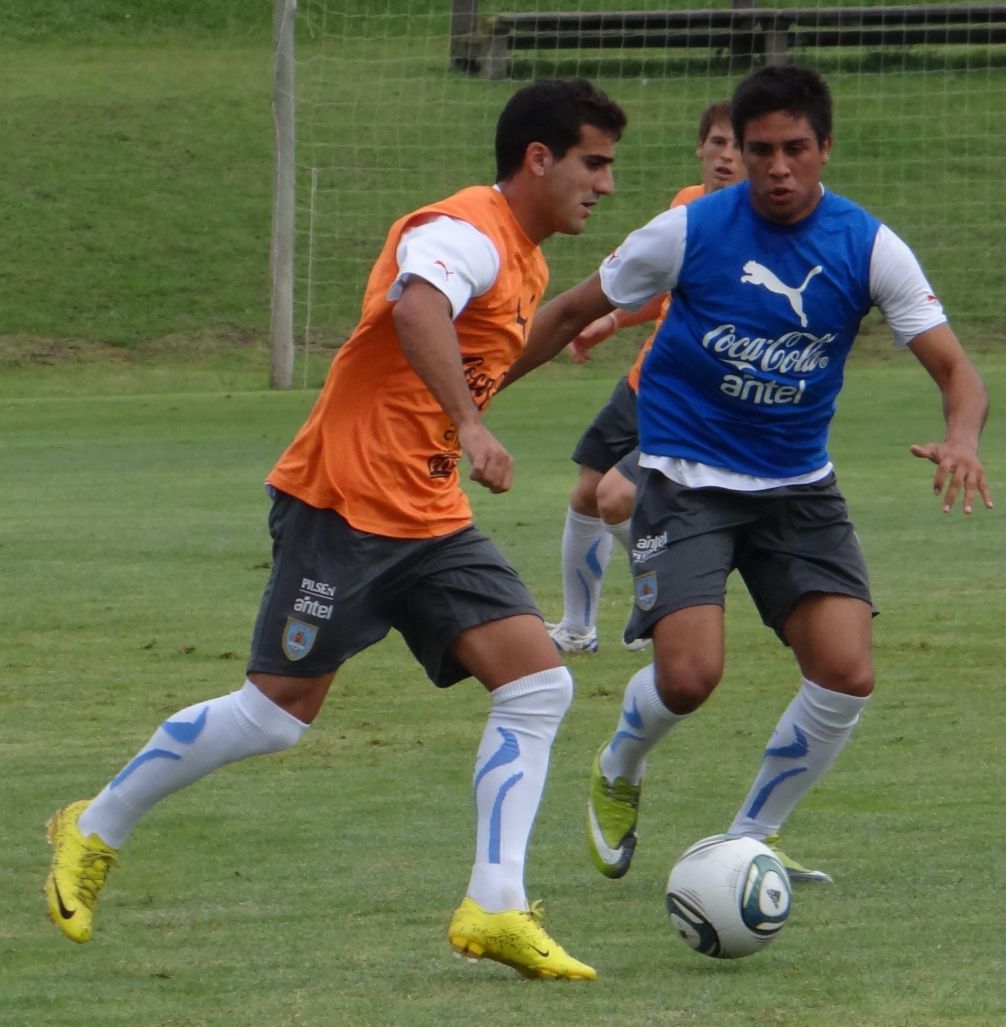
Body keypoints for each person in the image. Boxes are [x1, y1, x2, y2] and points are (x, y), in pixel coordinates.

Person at [44, 78, 628, 981]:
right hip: (343, 505)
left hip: (431, 514)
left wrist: (600, 302)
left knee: (538, 685)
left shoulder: (527, 261)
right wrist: (471, 427)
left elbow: (510, 346)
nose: (606, 184)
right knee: (275, 716)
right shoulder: (463, 230)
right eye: (595, 163)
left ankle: (496, 903)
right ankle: (94, 824)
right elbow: (416, 305)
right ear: (539, 158)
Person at [503, 65, 992, 885]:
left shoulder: (868, 245)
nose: (776, 167)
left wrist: (963, 438)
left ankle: (746, 840)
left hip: (798, 485)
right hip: (686, 476)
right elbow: (565, 313)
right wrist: (467, 402)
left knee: (846, 671)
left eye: (795, 148)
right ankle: (620, 761)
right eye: (760, 149)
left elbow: (957, 372)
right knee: (690, 679)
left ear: (824, 148)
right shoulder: (687, 231)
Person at [546, 101, 744, 655]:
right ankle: (579, 629)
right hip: (645, 382)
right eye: (717, 143)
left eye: (736, 146)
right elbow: (659, 282)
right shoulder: (686, 205)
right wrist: (611, 319)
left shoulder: (758, 231)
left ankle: (670, 600)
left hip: (691, 399)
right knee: (588, 493)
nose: (725, 157)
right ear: (700, 148)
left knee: (616, 498)